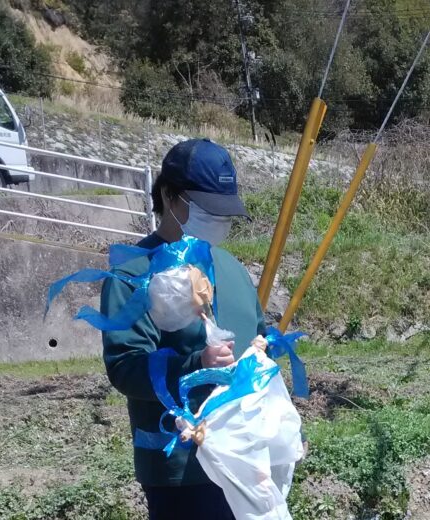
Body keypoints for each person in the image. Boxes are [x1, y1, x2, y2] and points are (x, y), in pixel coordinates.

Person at [101, 138, 264, 520]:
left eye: (225, 213)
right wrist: (196, 364)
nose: (218, 222)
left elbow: (260, 345)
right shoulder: (132, 276)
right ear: (169, 197)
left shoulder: (232, 270)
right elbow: (125, 368)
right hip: (182, 470)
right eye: (207, 210)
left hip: (245, 461)